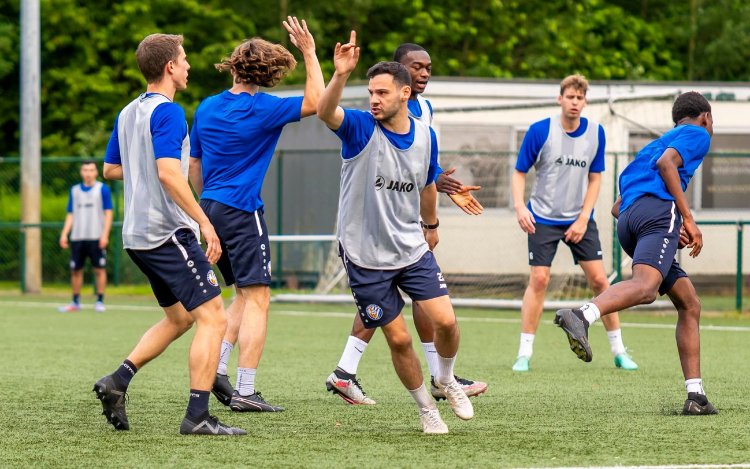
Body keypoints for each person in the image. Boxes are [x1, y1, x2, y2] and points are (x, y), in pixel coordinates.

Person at [317, 31, 474, 434]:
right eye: (371, 92)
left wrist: (431, 226)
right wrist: (339, 75)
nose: (374, 99)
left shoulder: (426, 135)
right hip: (364, 255)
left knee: (448, 323)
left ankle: (446, 379)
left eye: (382, 93)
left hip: (410, 247)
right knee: (400, 340)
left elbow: (425, 184)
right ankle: (426, 409)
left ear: (405, 95)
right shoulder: (357, 127)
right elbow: (324, 112)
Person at [94, 33, 245, 435]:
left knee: (179, 319)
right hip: (166, 232)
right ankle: (197, 416)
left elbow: (111, 169)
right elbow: (167, 173)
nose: (189, 65)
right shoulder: (170, 113)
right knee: (214, 318)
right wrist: (205, 221)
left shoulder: (128, 113)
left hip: (136, 236)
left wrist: (148, 165)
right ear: (169, 67)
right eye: (185, 59)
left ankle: (117, 381)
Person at [554, 91, 718, 415]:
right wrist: (686, 218)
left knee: (689, 303)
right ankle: (583, 315)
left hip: (628, 222)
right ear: (706, 117)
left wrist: (666, 232)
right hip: (657, 214)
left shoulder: (650, 147)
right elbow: (667, 164)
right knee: (645, 288)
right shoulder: (697, 134)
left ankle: (695, 395)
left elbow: (618, 207)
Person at [190, 18, 323, 412]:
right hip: (243, 210)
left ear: (232, 66)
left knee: (241, 297)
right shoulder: (265, 107)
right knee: (260, 299)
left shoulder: (207, 106)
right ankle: (246, 391)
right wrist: (310, 52)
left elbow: (194, 164)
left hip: (210, 208)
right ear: (268, 75)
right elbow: (317, 101)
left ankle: (218, 369)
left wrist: (205, 212)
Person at [511, 75, 638, 373]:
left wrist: (583, 217)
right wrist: (520, 207)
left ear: (585, 102)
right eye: (570, 97)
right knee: (539, 280)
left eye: (580, 98)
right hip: (541, 217)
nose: (575, 102)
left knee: (600, 282)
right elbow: (519, 172)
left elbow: (596, 178)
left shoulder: (596, 133)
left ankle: (619, 351)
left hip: (578, 219)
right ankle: (524, 354)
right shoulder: (540, 131)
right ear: (560, 99)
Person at [58, 161, 113, 313]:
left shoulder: (103, 189)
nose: (88, 173)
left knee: (99, 269)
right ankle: (75, 302)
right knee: (76, 270)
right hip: (77, 237)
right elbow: (71, 214)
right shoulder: (74, 191)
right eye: (85, 170)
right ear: (81, 172)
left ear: (96, 172)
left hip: (96, 237)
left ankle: (100, 301)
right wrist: (64, 233)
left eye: (91, 170)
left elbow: (108, 213)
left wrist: (105, 235)